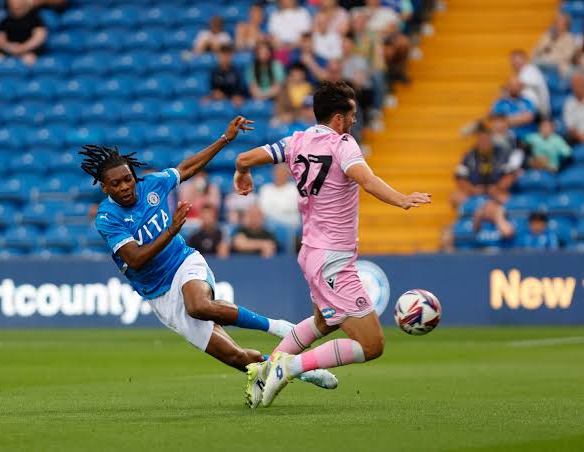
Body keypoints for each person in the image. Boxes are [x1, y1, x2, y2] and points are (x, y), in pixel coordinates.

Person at [81, 117, 336, 389]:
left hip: (183, 263)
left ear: (134, 175)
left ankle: (278, 327)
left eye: (128, 179)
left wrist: (225, 139)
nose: (124, 187)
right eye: (116, 184)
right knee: (237, 357)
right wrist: (171, 230)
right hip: (160, 293)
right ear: (105, 187)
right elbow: (135, 258)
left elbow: (187, 167)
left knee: (199, 306)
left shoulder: (151, 185)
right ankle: (301, 370)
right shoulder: (107, 217)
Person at [232, 81, 431, 407]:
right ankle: (290, 367)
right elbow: (366, 180)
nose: (354, 121)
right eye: (352, 115)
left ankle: (265, 369)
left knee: (325, 321)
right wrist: (402, 199)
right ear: (339, 118)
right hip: (333, 259)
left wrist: (242, 173)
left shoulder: (297, 140)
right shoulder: (343, 144)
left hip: (310, 251)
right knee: (372, 344)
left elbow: (245, 157)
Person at [0, 0, 48, 66]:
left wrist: (23, 48)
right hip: (9, 51)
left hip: (29, 51)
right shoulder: (4, 21)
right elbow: (0, 39)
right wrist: (10, 47)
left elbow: (40, 36)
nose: (15, 3)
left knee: (29, 59)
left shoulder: (35, 19)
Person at [490, 77, 537, 142]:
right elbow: (498, 123)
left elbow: (528, 118)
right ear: (508, 87)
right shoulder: (500, 102)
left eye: (517, 85)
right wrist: (520, 118)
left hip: (526, 137)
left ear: (521, 87)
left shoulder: (528, 102)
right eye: (512, 85)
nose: (514, 88)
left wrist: (506, 119)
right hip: (506, 138)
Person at [510, 49, 550, 119]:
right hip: (526, 108)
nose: (515, 62)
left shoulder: (530, 69)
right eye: (513, 60)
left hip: (537, 111)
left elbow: (518, 85)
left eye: (517, 59)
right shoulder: (520, 73)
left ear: (525, 59)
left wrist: (506, 89)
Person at [563, 72, 584, 144]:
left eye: (580, 84)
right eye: (575, 85)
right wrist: (580, 137)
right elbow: (570, 126)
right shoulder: (569, 103)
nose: (578, 87)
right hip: (576, 138)